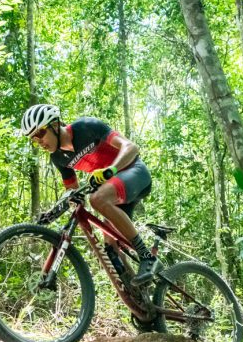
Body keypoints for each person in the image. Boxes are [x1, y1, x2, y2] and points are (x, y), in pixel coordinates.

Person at [19, 104, 159, 284]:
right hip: (114, 193)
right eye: (33, 139)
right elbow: (72, 192)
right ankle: (140, 296)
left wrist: (111, 169)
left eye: (39, 134)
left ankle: (147, 257)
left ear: (55, 125)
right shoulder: (58, 158)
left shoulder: (85, 126)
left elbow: (131, 147)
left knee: (97, 199)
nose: (38, 142)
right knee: (111, 249)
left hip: (135, 173)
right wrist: (53, 213)